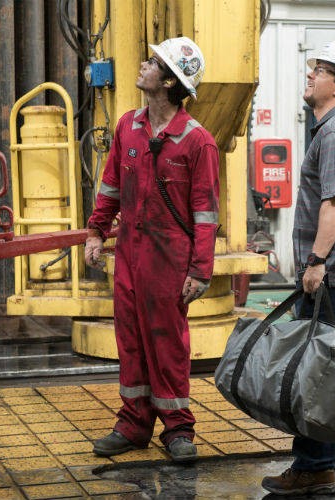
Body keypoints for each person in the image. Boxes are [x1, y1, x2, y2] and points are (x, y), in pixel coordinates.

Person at [83, 36, 219, 463]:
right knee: (131, 341)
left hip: (169, 260)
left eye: (154, 62)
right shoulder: (128, 126)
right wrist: (96, 231)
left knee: (168, 345)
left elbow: (206, 214)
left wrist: (200, 270)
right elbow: (110, 185)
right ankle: (133, 424)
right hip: (130, 255)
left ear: (170, 82)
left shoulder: (198, 142)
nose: (144, 65)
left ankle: (178, 429)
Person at [261, 38, 335, 495]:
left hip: (332, 274)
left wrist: (316, 261)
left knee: (319, 374)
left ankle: (314, 466)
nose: (311, 75)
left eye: (321, 71)